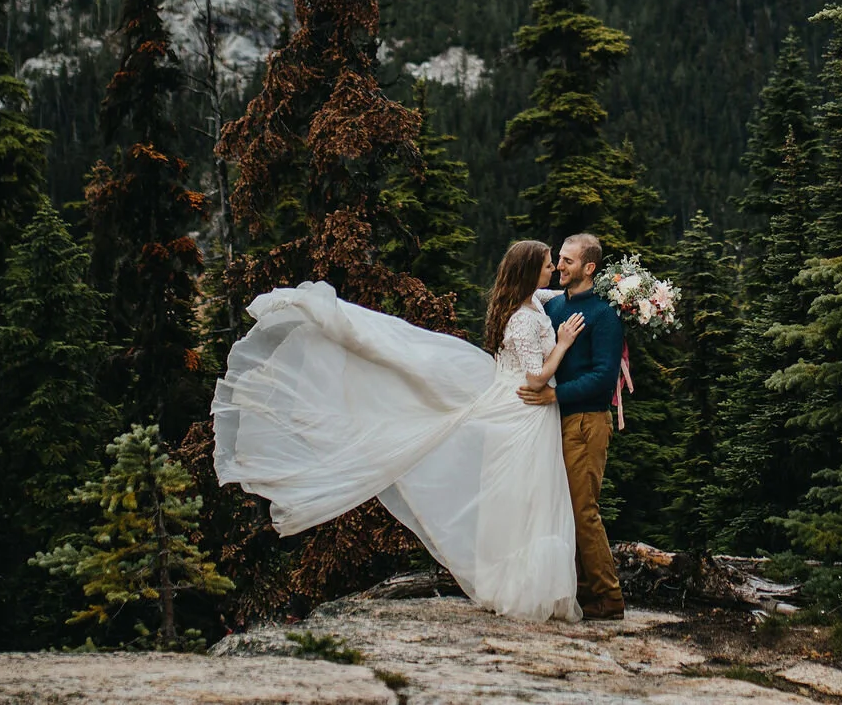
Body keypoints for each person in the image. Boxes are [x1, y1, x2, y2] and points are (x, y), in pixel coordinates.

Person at [210, 240, 587, 621]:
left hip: (518, 406)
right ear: (528, 272)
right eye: (547, 263)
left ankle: (524, 583)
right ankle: (523, 588)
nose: (554, 267)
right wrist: (564, 343)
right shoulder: (522, 319)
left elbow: (554, 292)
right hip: (523, 409)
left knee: (525, 495)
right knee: (527, 495)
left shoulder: (531, 301)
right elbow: (536, 378)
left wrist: (606, 286)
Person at [521, 232, 626, 619]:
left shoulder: (603, 316)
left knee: (583, 510)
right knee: (563, 508)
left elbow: (602, 377)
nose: (559, 266)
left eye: (567, 261)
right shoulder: (553, 308)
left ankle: (609, 596)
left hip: (587, 422)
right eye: (559, 259)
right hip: (555, 422)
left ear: (589, 267)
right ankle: (581, 590)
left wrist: (555, 395)